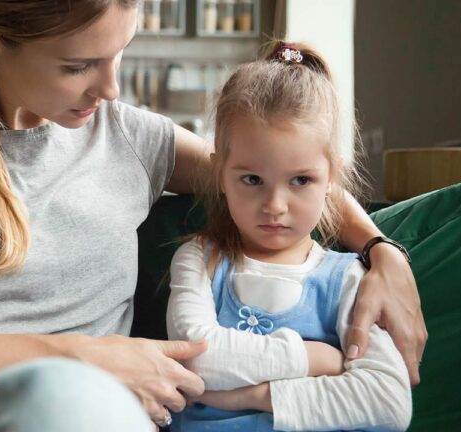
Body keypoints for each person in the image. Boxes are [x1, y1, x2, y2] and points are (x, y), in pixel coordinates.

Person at [0, 1, 424, 431]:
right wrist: (77, 359)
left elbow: (280, 174)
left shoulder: (131, 138)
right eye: (77, 66)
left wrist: (381, 250)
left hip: (98, 418)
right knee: (58, 396)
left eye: (118, 54)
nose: (110, 89)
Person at [166, 42, 413, 431]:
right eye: (252, 180)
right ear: (220, 176)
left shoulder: (349, 277)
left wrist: (253, 396)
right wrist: (315, 359)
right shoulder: (200, 259)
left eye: (301, 180)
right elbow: (196, 357)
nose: (275, 205)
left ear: (331, 178)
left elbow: (389, 401)